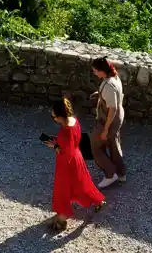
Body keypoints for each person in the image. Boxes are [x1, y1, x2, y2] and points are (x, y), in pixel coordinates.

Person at [45, 97, 105, 231]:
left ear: (60, 116)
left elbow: (64, 150)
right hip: (77, 158)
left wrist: (54, 145)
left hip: (67, 163)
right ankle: (98, 201)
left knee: (63, 189)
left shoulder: (66, 130)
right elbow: (70, 143)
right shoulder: (74, 121)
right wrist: (57, 142)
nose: (53, 119)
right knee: (82, 184)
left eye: (54, 116)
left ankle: (62, 218)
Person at [90, 57, 126, 188]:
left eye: (95, 70)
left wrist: (105, 129)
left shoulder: (109, 86)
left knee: (95, 147)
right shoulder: (114, 76)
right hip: (118, 119)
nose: (94, 72)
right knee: (113, 145)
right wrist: (100, 94)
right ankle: (121, 173)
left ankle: (110, 174)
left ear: (102, 71)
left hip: (108, 121)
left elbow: (112, 108)